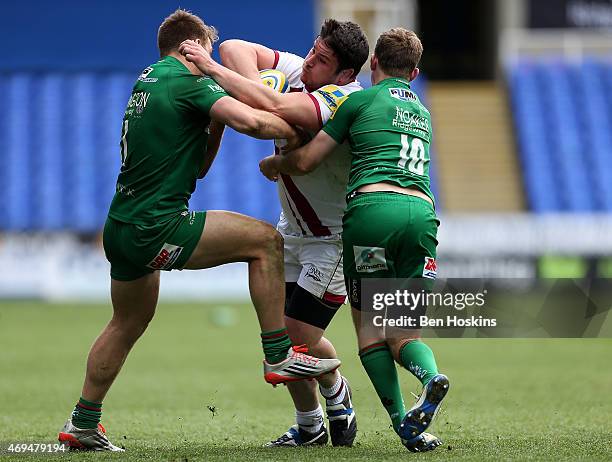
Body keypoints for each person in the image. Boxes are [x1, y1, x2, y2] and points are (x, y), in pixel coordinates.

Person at [57, 9, 340, 452]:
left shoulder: (148, 80)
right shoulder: (187, 79)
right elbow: (254, 122)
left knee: (126, 321)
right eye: (205, 54)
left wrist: (214, 122)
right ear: (192, 48)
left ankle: (83, 423)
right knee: (266, 240)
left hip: (122, 225)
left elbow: (202, 166)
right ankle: (277, 353)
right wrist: (307, 126)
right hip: (158, 224)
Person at [258, 28, 450, 453]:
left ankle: (402, 419)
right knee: (401, 332)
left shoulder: (357, 100)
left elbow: (306, 160)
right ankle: (428, 376)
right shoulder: (422, 111)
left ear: (373, 64)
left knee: (369, 333)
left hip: (370, 216)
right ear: (415, 73)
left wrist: (274, 162)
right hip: (421, 215)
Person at [178, 19, 368, 447]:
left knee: (294, 340)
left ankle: (336, 388)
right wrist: (255, 88)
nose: (310, 63)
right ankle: (310, 425)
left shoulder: (344, 100)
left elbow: (275, 110)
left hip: (332, 240)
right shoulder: (302, 69)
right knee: (283, 341)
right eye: (313, 50)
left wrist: (218, 75)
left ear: (345, 76)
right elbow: (237, 48)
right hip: (294, 232)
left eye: (322, 61)